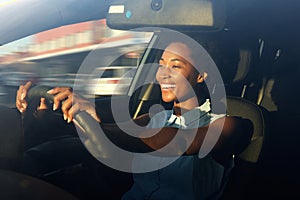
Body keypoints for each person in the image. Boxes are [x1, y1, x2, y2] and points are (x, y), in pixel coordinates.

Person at [16, 41, 253, 199]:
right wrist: (47, 115)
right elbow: (120, 132)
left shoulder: (230, 125)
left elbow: (181, 142)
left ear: (201, 76)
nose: (163, 73)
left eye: (176, 66)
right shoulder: (154, 117)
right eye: (161, 65)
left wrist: (98, 127)